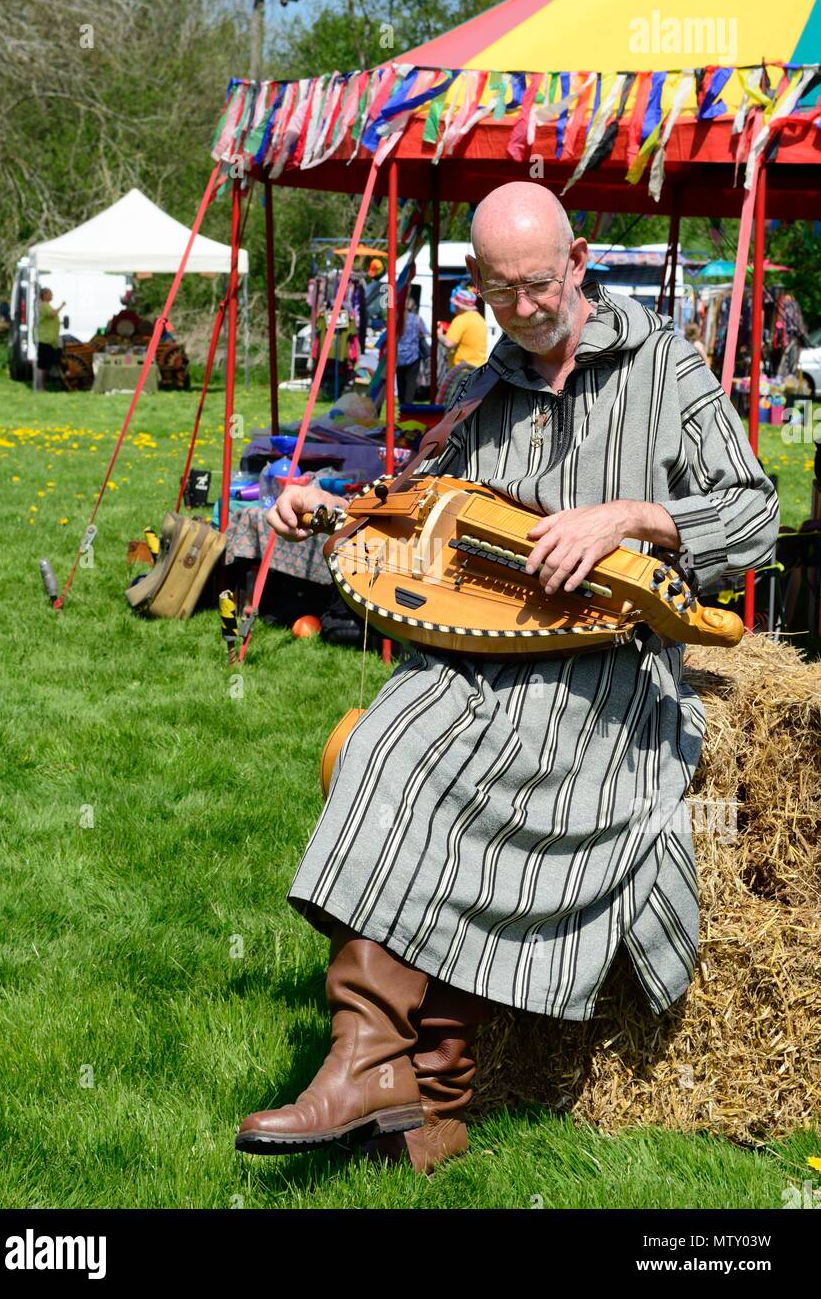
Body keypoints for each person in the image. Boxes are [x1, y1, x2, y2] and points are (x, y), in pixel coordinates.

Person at [235, 182, 779, 1175]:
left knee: (464, 777)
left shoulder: (666, 365)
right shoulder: (490, 386)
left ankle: (410, 1083)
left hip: (608, 678)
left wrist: (628, 517)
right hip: (491, 657)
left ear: (577, 264)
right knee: (387, 740)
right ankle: (391, 1074)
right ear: (478, 284)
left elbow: (751, 514)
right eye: (500, 289)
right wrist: (325, 510)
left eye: (538, 282)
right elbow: (420, 514)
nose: (524, 306)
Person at [436, 284, 488, 402]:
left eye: (455, 304)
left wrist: (439, 335)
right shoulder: (479, 319)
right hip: (478, 370)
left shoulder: (461, 320)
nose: (454, 306)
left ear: (460, 305)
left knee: (453, 408)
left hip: (461, 373)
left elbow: (449, 343)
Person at [394, 294, 430, 404]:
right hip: (413, 356)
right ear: (413, 306)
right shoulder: (417, 319)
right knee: (410, 383)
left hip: (399, 356)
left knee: (401, 383)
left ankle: (401, 407)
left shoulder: (397, 318)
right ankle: (408, 408)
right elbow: (425, 333)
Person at [36, 287, 65, 391]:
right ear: (44, 295)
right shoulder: (44, 306)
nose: (52, 296)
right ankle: (40, 387)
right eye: (50, 294)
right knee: (43, 365)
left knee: (46, 364)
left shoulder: (47, 305)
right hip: (45, 339)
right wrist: (62, 306)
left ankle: (43, 385)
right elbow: (52, 314)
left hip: (50, 340)